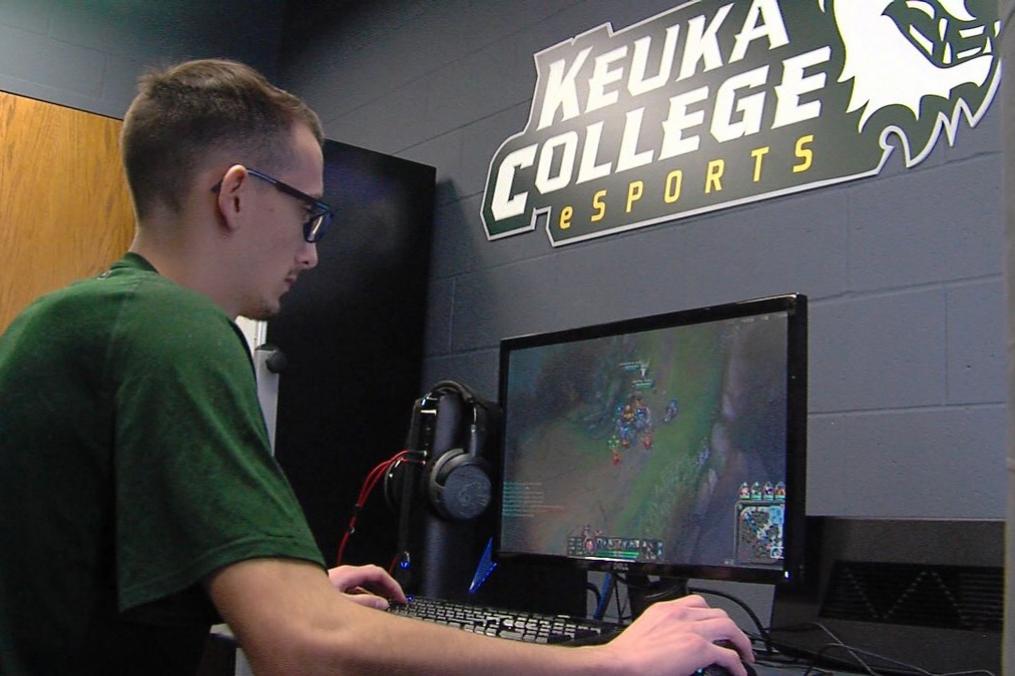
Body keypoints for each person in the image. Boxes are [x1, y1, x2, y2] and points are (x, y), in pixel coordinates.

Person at [0, 59, 754, 675]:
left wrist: (293, 593)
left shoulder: (76, 318)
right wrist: (610, 661)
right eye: (309, 214)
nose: (310, 253)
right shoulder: (175, 330)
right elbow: (303, 651)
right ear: (235, 194)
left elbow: (85, 579)